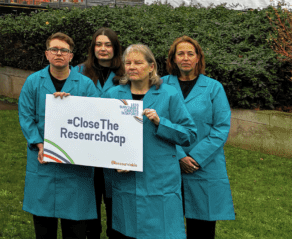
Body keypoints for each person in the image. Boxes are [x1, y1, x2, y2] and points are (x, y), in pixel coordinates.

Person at [104, 44, 197, 239]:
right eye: (128, 63)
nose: (132, 67)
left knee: (161, 232)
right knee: (126, 231)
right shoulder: (113, 95)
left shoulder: (169, 94)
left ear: (151, 66)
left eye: (138, 62)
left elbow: (189, 134)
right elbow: (101, 134)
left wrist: (160, 122)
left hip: (159, 178)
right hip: (126, 179)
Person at [18, 32, 100, 239]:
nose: (59, 54)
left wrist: (73, 106)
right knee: (44, 226)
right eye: (54, 49)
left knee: (76, 227)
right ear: (47, 54)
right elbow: (26, 116)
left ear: (71, 56)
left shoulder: (85, 85)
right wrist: (38, 144)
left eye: (64, 50)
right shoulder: (33, 82)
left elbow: (97, 117)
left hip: (76, 167)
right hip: (43, 159)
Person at [162, 36, 235, 239]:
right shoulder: (161, 85)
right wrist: (179, 156)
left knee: (201, 228)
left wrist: (194, 158)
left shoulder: (214, 88)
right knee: (167, 225)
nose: (185, 58)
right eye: (180, 53)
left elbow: (221, 128)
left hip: (203, 166)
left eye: (190, 54)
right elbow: (155, 122)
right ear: (173, 58)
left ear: (198, 58)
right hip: (168, 163)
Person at [76, 27, 125, 239]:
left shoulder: (127, 75)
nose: (102, 49)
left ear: (115, 48)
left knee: (118, 216)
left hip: (117, 154)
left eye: (107, 44)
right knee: (89, 217)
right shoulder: (77, 72)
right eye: (98, 44)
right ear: (92, 48)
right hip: (87, 154)